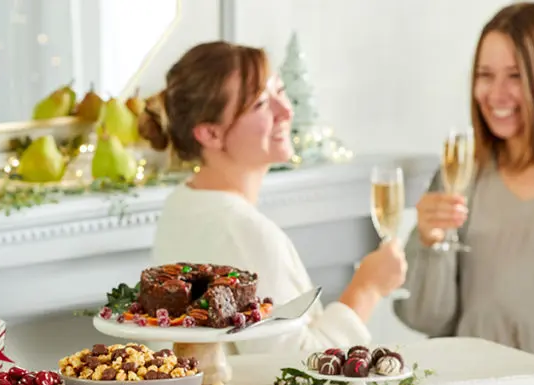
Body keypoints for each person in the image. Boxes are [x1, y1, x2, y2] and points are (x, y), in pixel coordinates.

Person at [139, 41, 407, 353]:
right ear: (210, 134)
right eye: (261, 105)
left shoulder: (182, 203)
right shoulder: (242, 231)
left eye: (279, 91)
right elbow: (294, 371)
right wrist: (367, 288)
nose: (286, 110)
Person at [395, 3, 534, 375]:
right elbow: (427, 319)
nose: (496, 94)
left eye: (515, 75)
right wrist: (431, 242)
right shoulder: (463, 173)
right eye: (485, 74)